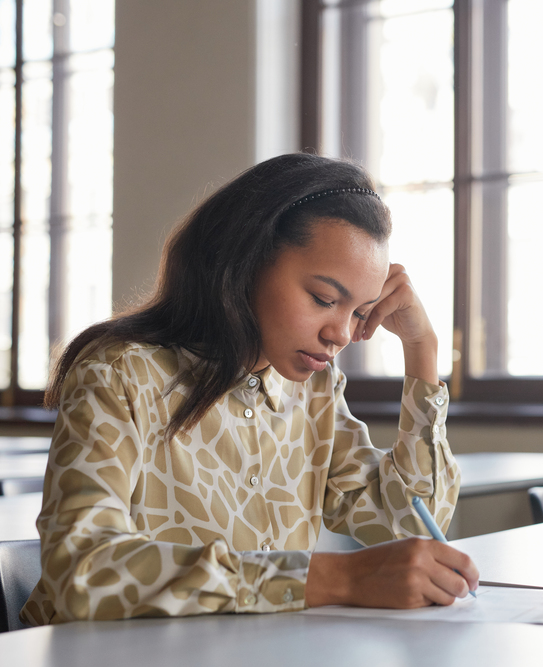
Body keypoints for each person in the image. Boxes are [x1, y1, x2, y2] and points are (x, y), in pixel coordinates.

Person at [20, 153, 478, 626]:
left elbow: (403, 526)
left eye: (360, 313)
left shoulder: (313, 389)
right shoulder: (119, 374)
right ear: (247, 261)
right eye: (324, 299)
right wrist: (332, 579)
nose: (340, 333)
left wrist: (421, 350)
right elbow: (82, 571)